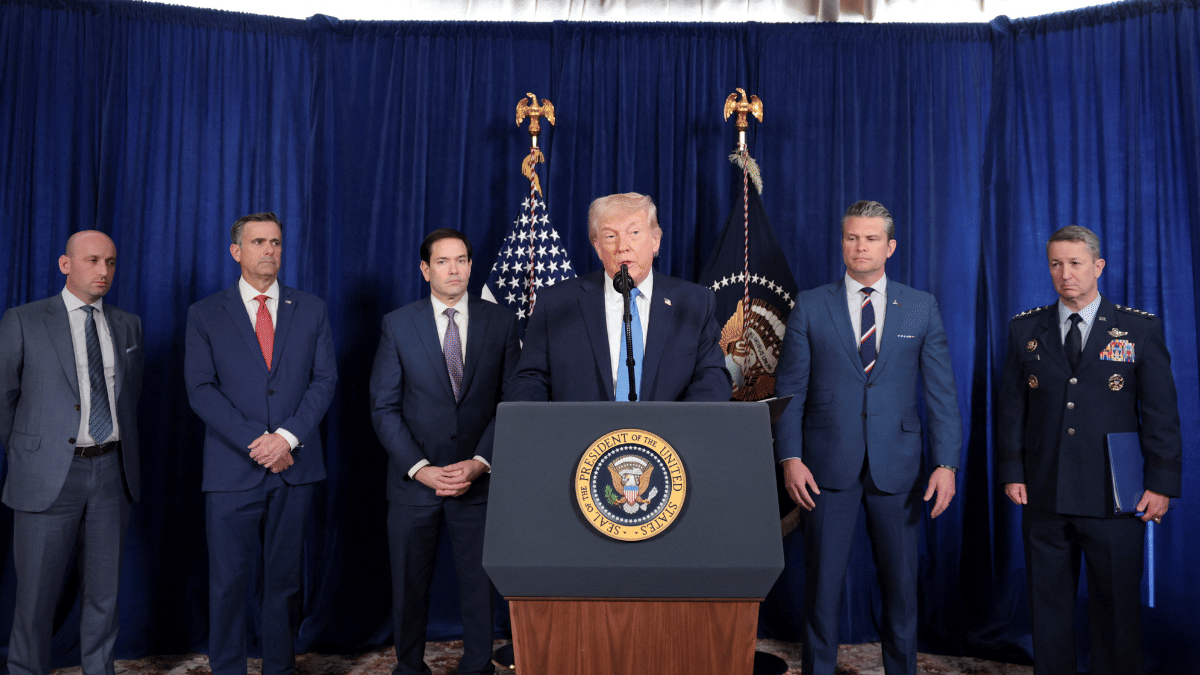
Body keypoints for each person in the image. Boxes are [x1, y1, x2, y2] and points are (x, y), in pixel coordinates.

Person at [773, 200, 961, 675]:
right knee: (821, 589)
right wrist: (790, 458)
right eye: (852, 237)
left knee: (900, 590)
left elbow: (940, 393)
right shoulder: (811, 305)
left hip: (897, 467)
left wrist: (946, 464)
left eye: (871, 238)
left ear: (890, 246)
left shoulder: (920, 307)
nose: (860, 246)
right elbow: (789, 392)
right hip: (823, 467)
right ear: (842, 243)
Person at [998, 225, 1181, 675]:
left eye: (1076, 263)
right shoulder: (1026, 329)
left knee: (1116, 610)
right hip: (1045, 490)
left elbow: (1160, 413)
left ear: (1098, 266)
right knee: (1048, 608)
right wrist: (1011, 470)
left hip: (1114, 494)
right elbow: (1011, 408)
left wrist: (1161, 484)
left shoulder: (1138, 328)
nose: (1066, 274)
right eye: (1056, 264)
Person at [184, 212, 337, 675]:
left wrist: (287, 437)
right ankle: (228, 667)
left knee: (284, 582)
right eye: (258, 242)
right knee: (228, 582)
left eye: (275, 242)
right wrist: (260, 442)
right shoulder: (205, 313)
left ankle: (279, 668)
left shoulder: (311, 309)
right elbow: (201, 390)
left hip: (295, 468)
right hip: (233, 469)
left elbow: (324, 380)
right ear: (237, 252)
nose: (269, 250)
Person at [369, 229, 519, 675]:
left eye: (461, 260)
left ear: (471, 266)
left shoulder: (503, 322)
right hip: (415, 484)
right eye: (442, 261)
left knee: (478, 587)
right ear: (424, 269)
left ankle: (478, 667)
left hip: (479, 480)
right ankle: (410, 668)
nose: (453, 270)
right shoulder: (398, 324)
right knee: (409, 587)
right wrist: (422, 469)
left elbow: (514, 402)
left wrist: (478, 462)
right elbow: (383, 407)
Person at [0, 231, 143, 675]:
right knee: (36, 601)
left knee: (104, 597)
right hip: (48, 478)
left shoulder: (128, 324)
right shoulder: (24, 319)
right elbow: (3, 397)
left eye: (112, 262)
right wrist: (31, 455)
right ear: (66, 264)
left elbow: (130, 398)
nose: (104, 271)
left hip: (111, 474)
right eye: (93, 260)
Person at [507, 192, 729, 402]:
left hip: (668, 439)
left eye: (634, 233)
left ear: (655, 240)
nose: (623, 247)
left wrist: (680, 432)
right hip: (581, 439)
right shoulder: (557, 304)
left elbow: (713, 380)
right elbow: (529, 381)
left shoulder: (694, 303)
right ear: (598, 247)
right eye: (610, 236)